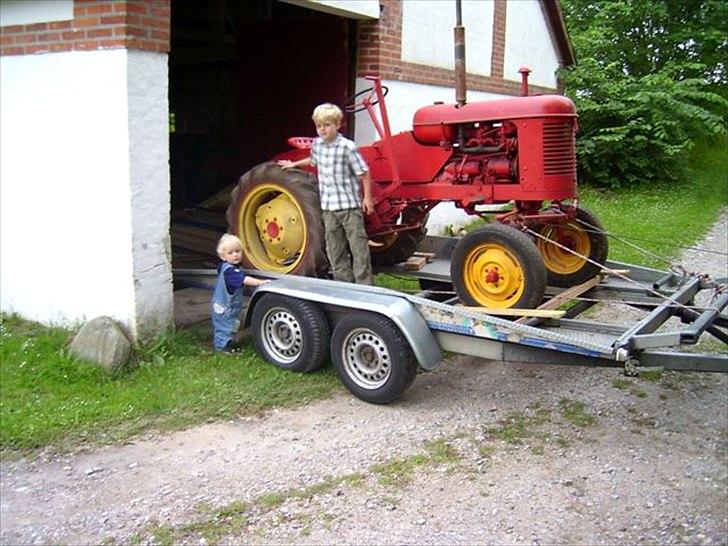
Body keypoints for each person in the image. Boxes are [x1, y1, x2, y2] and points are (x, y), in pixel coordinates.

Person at [278, 102, 374, 285]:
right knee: (334, 249)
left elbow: (364, 172)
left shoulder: (348, 147)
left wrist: (367, 197)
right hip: (329, 208)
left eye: (327, 125)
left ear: (337, 125)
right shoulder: (318, 145)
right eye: (319, 126)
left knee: (358, 248)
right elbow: (313, 160)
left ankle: (365, 286)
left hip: (349, 207)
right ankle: (343, 284)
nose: (322, 129)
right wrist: (294, 164)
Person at [212, 234, 270, 352]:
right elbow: (244, 280)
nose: (235, 255)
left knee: (231, 325)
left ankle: (229, 344)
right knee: (225, 327)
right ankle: (222, 348)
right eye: (231, 253)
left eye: (238, 251)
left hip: (228, 306)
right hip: (225, 307)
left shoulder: (226, 266)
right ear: (223, 256)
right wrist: (260, 282)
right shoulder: (231, 272)